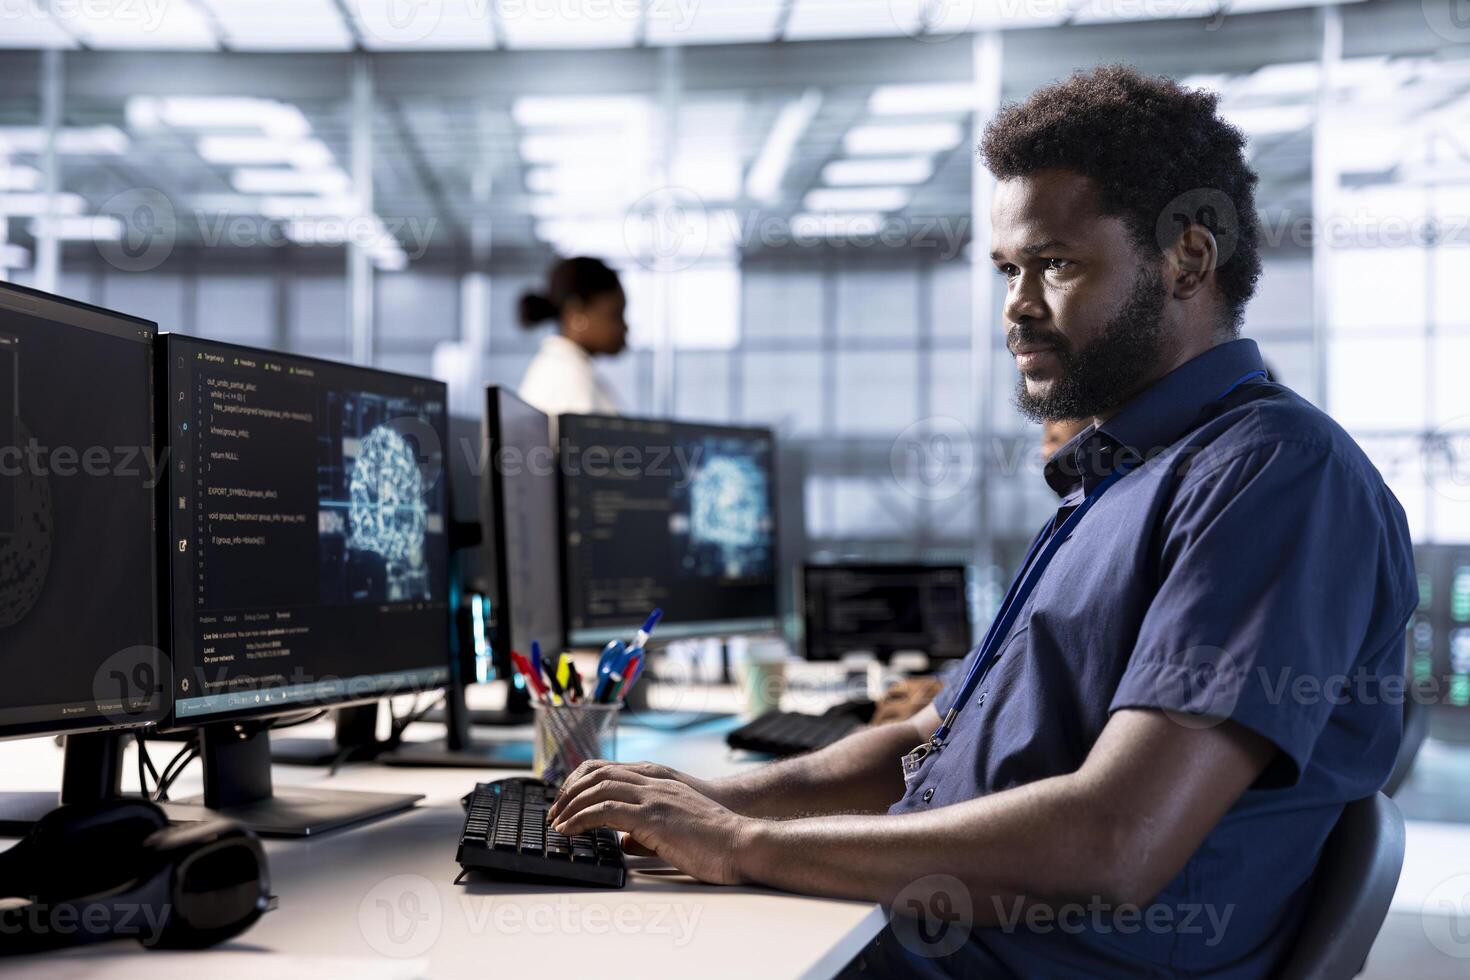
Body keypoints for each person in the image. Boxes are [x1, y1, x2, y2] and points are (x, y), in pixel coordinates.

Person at [547, 65, 1416, 978]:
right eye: (1009, 268)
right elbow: (926, 742)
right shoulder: (1111, 481)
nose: (1017, 305)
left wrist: (739, 845)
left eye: (1057, 264)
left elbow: (1117, 841)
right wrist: (718, 801)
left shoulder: (1272, 474)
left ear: (1187, 260)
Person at [516, 256, 629, 418]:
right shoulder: (568, 380)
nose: (625, 327)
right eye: (615, 315)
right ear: (576, 314)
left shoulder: (564, 368)